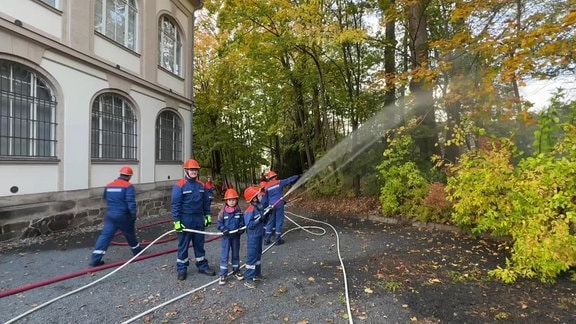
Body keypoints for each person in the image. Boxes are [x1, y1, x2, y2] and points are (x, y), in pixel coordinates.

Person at [172, 158, 216, 280]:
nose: (193, 172)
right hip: (185, 220)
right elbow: (176, 205)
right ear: (186, 170)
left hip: (198, 219)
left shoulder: (201, 185)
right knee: (183, 245)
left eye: (195, 170)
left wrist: (207, 215)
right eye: (191, 169)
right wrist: (177, 221)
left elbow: (206, 203)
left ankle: (202, 265)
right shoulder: (179, 185)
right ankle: (182, 269)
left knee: (199, 244)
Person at [89, 166, 143, 266]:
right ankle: (137, 251)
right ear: (129, 176)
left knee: (105, 236)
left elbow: (105, 198)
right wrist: (133, 215)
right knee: (130, 233)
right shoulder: (128, 186)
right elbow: (131, 202)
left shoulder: (109, 185)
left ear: (120, 174)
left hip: (110, 215)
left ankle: (95, 259)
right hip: (123, 215)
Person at [242, 186, 272, 288]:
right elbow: (249, 225)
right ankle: (248, 279)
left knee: (258, 256)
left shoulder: (259, 207)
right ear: (253, 198)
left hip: (259, 235)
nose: (261, 196)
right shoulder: (250, 210)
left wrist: (267, 215)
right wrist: (258, 220)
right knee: (252, 257)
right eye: (259, 195)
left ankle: (257, 274)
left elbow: (264, 220)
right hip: (253, 237)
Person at [261, 170, 299, 245]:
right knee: (279, 221)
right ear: (275, 176)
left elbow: (264, 199)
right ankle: (277, 240)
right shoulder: (279, 182)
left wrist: (265, 208)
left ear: (269, 178)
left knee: (271, 222)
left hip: (271, 206)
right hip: (279, 204)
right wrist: (297, 176)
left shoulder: (266, 186)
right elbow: (289, 180)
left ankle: (266, 239)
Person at [217, 188, 245, 285]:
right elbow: (219, 224)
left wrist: (242, 228)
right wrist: (223, 229)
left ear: (236, 200)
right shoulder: (222, 212)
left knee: (236, 254)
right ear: (226, 201)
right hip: (226, 238)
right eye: (229, 200)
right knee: (224, 255)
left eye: (233, 200)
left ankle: (236, 271)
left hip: (236, 237)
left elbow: (242, 222)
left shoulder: (239, 211)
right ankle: (223, 274)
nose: (232, 202)